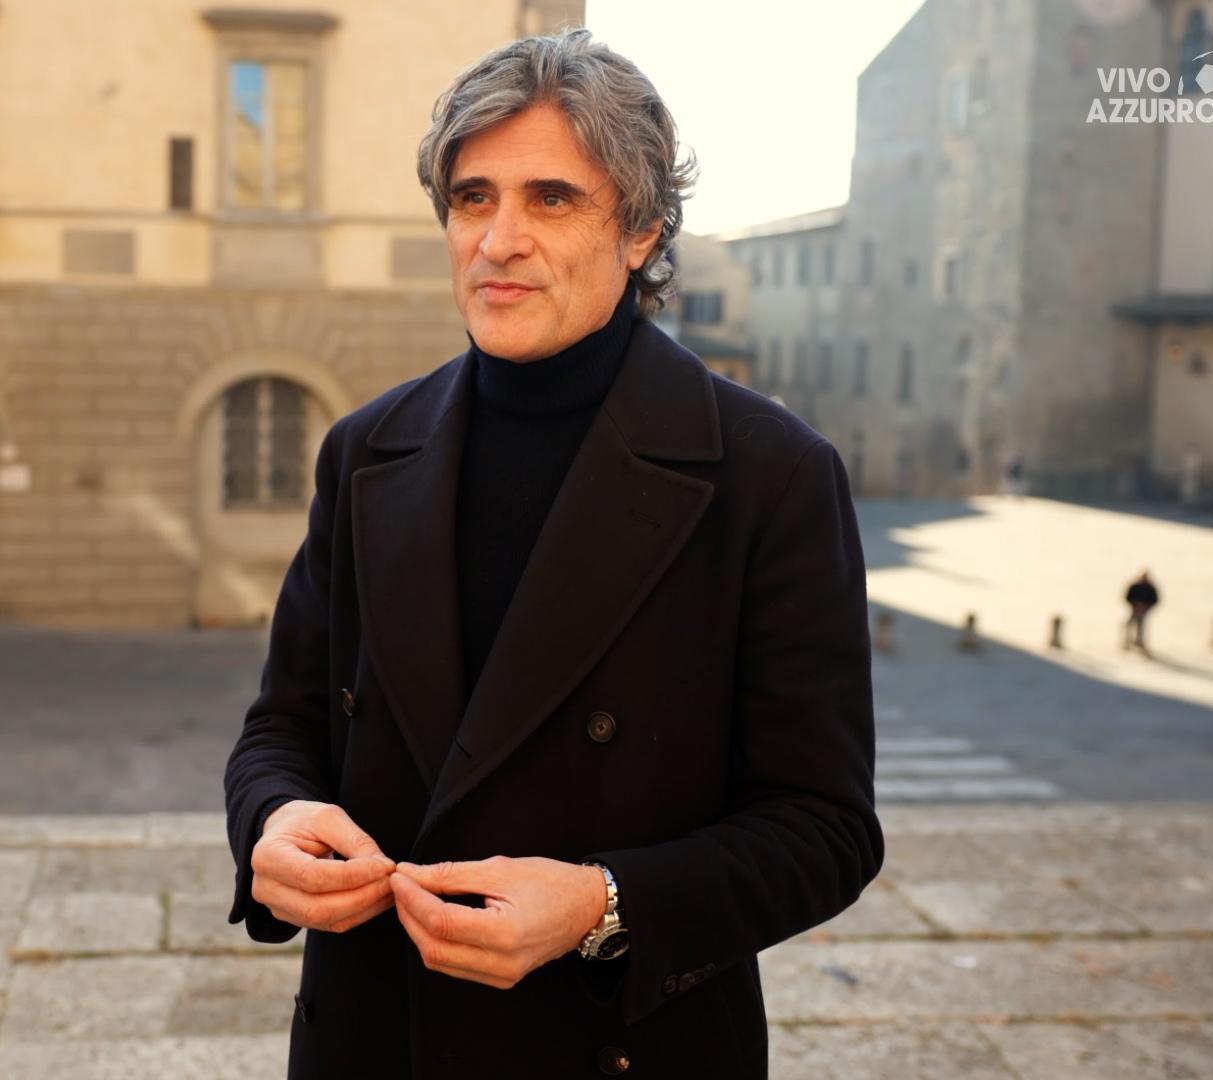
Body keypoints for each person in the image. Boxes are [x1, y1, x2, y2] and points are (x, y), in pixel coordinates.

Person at [224, 29, 882, 1079]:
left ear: (642, 230)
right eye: (473, 198)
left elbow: (826, 828)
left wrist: (602, 905)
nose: (500, 240)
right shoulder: (365, 450)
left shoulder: (770, 474)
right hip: (373, 1039)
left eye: (552, 199)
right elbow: (283, 727)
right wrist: (274, 817)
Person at [1123, 569, 1159, 655]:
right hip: (1134, 610)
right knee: (1128, 625)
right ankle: (1127, 641)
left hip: (1144, 612)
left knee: (1141, 627)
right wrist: (1134, 605)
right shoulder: (1135, 586)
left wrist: (1146, 607)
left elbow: (1155, 600)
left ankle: (1139, 642)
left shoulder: (1150, 588)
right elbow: (1128, 597)